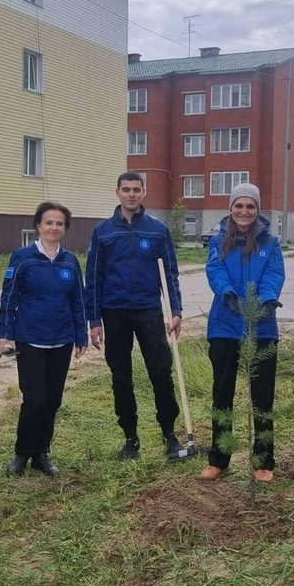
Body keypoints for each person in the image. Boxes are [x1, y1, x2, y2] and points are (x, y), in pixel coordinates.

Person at [84, 172, 184, 460]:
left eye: (136, 189)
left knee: (160, 372)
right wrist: (94, 321)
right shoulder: (103, 231)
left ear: (143, 193)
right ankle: (130, 438)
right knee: (121, 376)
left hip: (149, 311)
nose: (131, 194)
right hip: (113, 312)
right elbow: (93, 278)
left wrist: (176, 311)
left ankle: (170, 434)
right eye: (126, 189)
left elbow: (171, 275)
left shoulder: (157, 230)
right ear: (117, 192)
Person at [199, 183, 285, 484]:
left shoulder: (271, 244)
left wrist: (266, 300)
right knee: (221, 394)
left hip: (261, 325)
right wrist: (229, 294)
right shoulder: (218, 240)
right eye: (239, 206)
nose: (244, 212)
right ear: (231, 208)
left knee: (263, 397)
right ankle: (219, 459)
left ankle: (263, 460)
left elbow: (274, 274)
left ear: (257, 210)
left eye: (250, 206)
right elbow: (215, 271)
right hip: (225, 323)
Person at [0, 202, 87, 477]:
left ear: (65, 228)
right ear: (38, 226)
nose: (54, 227)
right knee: (34, 399)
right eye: (49, 222)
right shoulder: (22, 258)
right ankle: (22, 454)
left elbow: (77, 301)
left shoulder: (70, 261)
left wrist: (80, 334)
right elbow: (8, 299)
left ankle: (41, 454)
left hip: (62, 340)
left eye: (59, 223)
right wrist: (3, 334)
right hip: (30, 340)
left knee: (53, 400)